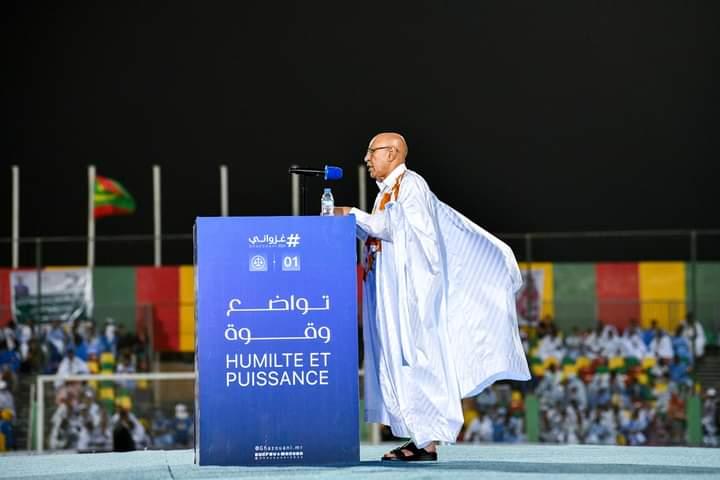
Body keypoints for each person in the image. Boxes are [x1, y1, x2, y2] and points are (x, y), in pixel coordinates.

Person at [335, 132, 530, 461]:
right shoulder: (387, 192)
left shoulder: (411, 185)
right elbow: (381, 233)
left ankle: (426, 443)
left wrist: (353, 214)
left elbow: (400, 231)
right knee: (400, 365)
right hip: (390, 295)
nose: (367, 158)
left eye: (372, 151)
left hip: (413, 298)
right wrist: (352, 223)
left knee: (418, 363)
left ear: (393, 153)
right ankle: (418, 439)